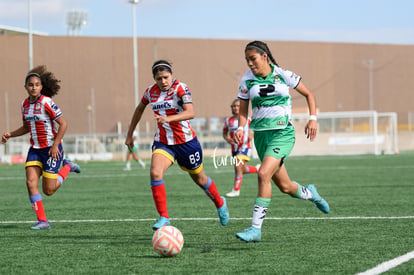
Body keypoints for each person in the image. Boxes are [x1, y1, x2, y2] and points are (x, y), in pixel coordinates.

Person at [233, 40, 330, 243]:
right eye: (247, 60)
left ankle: (255, 229)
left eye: (253, 59)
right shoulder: (246, 80)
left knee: (263, 173)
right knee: (285, 187)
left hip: (282, 133)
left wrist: (313, 119)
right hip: (261, 136)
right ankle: (311, 194)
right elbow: (243, 110)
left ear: (264, 56)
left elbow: (309, 94)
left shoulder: (283, 74)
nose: (250, 64)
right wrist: (241, 129)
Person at [125, 60, 229, 230]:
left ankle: (219, 202)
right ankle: (164, 217)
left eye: (166, 77)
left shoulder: (180, 88)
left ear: (171, 75)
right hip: (163, 142)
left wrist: (168, 118)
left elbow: (191, 112)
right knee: (155, 172)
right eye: (159, 78)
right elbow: (139, 109)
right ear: (154, 79)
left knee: (200, 179)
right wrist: (129, 134)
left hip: (186, 143)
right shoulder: (150, 92)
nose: (163, 81)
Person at [1, 65, 81, 230]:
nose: (34, 87)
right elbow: (26, 127)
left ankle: (67, 167)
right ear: (26, 87)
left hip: (51, 149)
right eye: (31, 85)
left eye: (37, 85)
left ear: (41, 86)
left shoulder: (47, 102)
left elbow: (63, 124)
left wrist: (56, 144)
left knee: (49, 190)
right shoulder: (24, 105)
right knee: (30, 183)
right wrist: (10, 134)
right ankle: (43, 220)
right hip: (35, 150)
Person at [223, 98, 259, 197]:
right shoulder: (228, 121)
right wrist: (227, 139)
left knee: (238, 167)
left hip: (244, 147)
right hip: (234, 148)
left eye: (238, 106)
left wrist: (251, 134)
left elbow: (254, 127)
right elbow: (224, 133)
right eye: (234, 106)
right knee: (241, 169)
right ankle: (257, 169)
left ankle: (236, 190)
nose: (236, 108)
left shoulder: (247, 119)